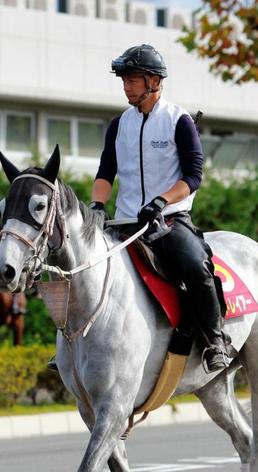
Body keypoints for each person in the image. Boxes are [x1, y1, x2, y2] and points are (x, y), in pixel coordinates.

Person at [89, 44, 232, 372]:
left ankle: (215, 338)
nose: (125, 86)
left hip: (167, 219)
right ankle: (73, 347)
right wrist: (97, 203)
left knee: (196, 266)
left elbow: (194, 175)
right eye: (123, 80)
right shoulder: (118, 125)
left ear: (154, 81)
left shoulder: (178, 120)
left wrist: (161, 201)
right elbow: (105, 173)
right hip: (124, 221)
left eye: (132, 80)